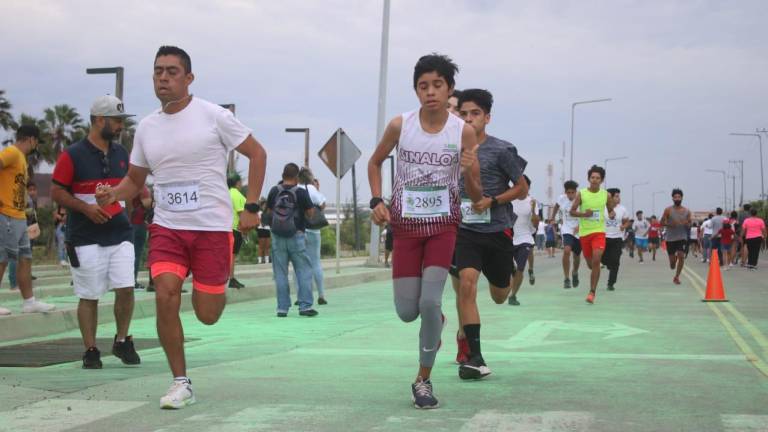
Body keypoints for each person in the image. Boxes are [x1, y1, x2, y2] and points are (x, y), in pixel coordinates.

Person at [95, 46, 267, 409]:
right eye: (158, 71)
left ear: (189, 79)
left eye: (172, 71)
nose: (163, 77)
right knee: (165, 293)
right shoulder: (146, 127)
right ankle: (180, 381)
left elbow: (258, 154)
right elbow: (134, 179)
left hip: (211, 229)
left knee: (207, 314)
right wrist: (113, 195)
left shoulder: (213, 116)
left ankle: (210, 289)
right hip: (168, 227)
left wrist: (251, 206)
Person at [368, 54, 482, 409]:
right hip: (405, 228)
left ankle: (423, 380)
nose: (430, 92)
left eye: (437, 85)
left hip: (442, 227)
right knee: (407, 311)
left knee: (430, 301)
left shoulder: (461, 131)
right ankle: (437, 321)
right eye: (423, 86)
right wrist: (376, 201)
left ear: (449, 88)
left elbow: (476, 194)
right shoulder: (401, 125)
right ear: (416, 90)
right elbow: (374, 162)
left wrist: (468, 170)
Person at [51, 95, 140, 369]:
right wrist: (86, 209)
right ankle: (90, 349)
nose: (120, 127)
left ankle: (122, 340)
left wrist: (141, 199)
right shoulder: (72, 155)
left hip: (120, 233)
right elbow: (56, 191)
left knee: (126, 288)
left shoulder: (123, 154)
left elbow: (133, 185)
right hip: (85, 237)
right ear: (99, 120)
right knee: (89, 295)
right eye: (116, 121)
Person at [448, 89, 526, 377]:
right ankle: (476, 358)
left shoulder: (502, 150)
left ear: (487, 117)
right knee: (466, 285)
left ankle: (509, 272)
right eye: (464, 113)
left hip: (497, 231)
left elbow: (522, 188)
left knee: (499, 295)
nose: (469, 119)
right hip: (465, 231)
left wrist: (492, 201)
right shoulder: (451, 149)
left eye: (475, 114)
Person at [0, 125, 55, 315]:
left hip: (18, 215)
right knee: (3, 258)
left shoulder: (21, 159)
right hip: (6, 214)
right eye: (36, 142)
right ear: (31, 139)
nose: (35, 146)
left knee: (25, 257)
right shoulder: (12, 153)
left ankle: (29, 301)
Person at [267, 163, 317, 316]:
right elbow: (310, 214)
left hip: (277, 236)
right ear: (296, 177)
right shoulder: (301, 192)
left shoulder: (274, 190)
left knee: (280, 273)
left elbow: (269, 212)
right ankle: (305, 306)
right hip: (296, 235)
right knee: (303, 271)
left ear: (283, 175)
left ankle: (282, 308)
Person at [569, 165, 614, 304]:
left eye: (598, 178)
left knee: (596, 259)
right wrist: (584, 214)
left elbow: (611, 210)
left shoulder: (606, 195)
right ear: (589, 179)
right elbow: (572, 211)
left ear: (602, 180)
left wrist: (612, 214)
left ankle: (592, 292)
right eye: (592, 177)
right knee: (590, 264)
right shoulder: (581, 193)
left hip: (599, 232)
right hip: (585, 233)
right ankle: (591, 276)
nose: (595, 180)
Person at [297, 168, 328, 305]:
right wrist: (317, 189)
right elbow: (322, 205)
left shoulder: (295, 189)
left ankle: (299, 296)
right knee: (315, 262)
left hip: (298, 230)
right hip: (314, 230)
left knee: (299, 264)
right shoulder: (312, 189)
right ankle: (321, 295)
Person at [508, 176, 537, 306]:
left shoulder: (532, 202)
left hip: (525, 238)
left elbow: (536, 224)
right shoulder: (509, 200)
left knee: (520, 268)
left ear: (528, 187)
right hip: (509, 239)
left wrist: (533, 210)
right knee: (509, 269)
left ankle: (513, 296)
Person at [549, 180, 581, 289]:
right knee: (567, 250)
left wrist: (580, 226)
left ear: (576, 192)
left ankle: (575, 272)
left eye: (573, 192)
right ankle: (566, 278)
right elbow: (556, 206)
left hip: (578, 230)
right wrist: (552, 217)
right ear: (565, 192)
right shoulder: (561, 198)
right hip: (567, 228)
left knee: (576, 256)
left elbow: (586, 214)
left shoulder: (581, 199)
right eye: (569, 192)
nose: (571, 195)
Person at [660, 189, 692, 285]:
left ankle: (677, 277)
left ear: (682, 198)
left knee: (681, 256)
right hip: (670, 238)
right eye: (675, 197)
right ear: (672, 198)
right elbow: (661, 222)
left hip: (682, 237)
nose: (677, 198)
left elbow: (690, 224)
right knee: (672, 265)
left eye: (679, 197)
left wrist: (687, 224)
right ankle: (674, 260)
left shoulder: (687, 211)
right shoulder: (668, 210)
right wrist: (670, 224)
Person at [602, 188, 629, 290]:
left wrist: (624, 226)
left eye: (619, 196)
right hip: (604, 237)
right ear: (610, 198)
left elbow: (627, 221)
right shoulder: (602, 208)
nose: (619, 198)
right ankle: (609, 264)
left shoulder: (622, 209)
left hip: (617, 238)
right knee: (604, 259)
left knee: (616, 260)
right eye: (616, 196)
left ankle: (611, 283)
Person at [130, 185, 152, 290]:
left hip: (126, 224)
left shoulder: (123, 187)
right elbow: (147, 203)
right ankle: (132, 281)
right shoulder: (141, 187)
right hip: (138, 224)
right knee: (135, 254)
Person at [228, 174, 246, 289]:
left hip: (225, 227)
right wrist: (245, 229)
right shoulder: (237, 195)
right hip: (235, 228)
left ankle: (227, 277)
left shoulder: (226, 193)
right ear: (238, 182)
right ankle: (231, 278)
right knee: (232, 256)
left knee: (227, 255)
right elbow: (241, 213)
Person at [256, 198, 271, 264]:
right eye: (264, 205)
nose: (265, 206)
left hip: (267, 229)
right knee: (261, 246)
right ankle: (260, 260)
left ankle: (267, 260)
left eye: (266, 205)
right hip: (261, 229)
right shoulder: (259, 213)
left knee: (267, 245)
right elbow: (258, 221)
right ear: (261, 206)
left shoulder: (268, 213)